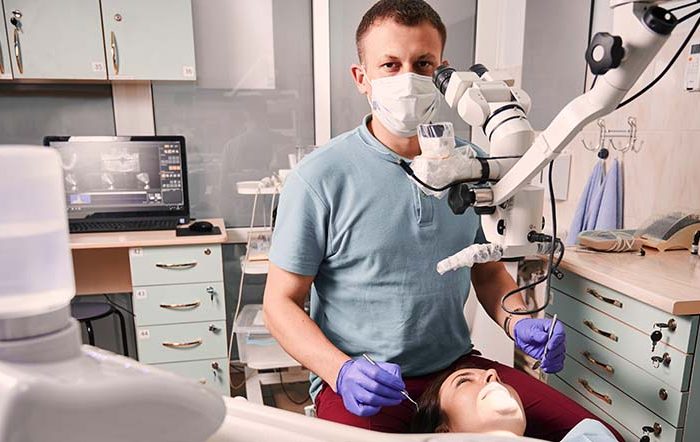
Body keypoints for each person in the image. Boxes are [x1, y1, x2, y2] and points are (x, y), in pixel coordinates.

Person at [263, 0, 610, 438]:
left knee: (595, 433)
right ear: (361, 77)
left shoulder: (476, 167)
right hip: (364, 380)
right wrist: (341, 370)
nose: (408, 79)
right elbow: (280, 304)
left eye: (423, 64)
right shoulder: (320, 178)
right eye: (390, 65)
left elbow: (487, 271)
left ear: (443, 73)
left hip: (456, 370)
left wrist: (519, 320)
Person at [411, 362, 621, 441]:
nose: (492, 374)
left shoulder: (589, 436)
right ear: (444, 433)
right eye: (464, 381)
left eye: (500, 380)